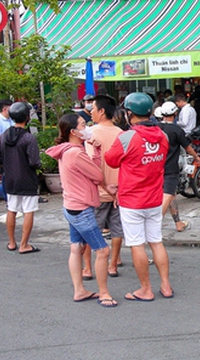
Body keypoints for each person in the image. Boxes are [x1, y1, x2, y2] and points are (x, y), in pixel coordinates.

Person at [104, 92, 174, 302]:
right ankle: (166, 285)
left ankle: (146, 289)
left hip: (132, 199)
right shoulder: (163, 135)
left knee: (137, 244)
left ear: (129, 113)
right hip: (154, 197)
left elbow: (111, 160)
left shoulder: (126, 137)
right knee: (156, 241)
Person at [46, 113, 117, 307]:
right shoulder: (76, 153)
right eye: (84, 125)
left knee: (76, 248)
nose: (87, 128)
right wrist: (96, 152)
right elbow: (96, 174)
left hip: (71, 206)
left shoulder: (66, 150)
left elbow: (92, 175)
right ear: (73, 131)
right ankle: (104, 293)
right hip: (81, 209)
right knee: (102, 250)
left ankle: (79, 290)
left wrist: (92, 151)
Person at [87, 94, 125, 276]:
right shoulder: (121, 134)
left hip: (98, 191)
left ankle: (87, 267)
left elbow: (89, 165)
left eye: (93, 109)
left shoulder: (91, 133)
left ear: (101, 111)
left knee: (91, 229)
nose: (90, 112)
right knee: (117, 229)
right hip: (118, 191)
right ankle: (113, 264)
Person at [0, 102, 42, 254]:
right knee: (28, 211)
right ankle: (24, 244)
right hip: (27, 179)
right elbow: (34, 162)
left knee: (11, 209)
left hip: (10, 178)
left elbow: (0, 156)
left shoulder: (4, 136)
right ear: (26, 117)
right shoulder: (28, 138)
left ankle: (12, 242)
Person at [158, 101, 200, 232]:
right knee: (168, 195)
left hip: (155, 167)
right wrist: (196, 157)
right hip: (170, 169)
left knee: (172, 196)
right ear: (175, 113)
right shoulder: (176, 130)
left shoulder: (155, 127)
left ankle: (178, 223)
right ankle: (154, 225)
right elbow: (188, 148)